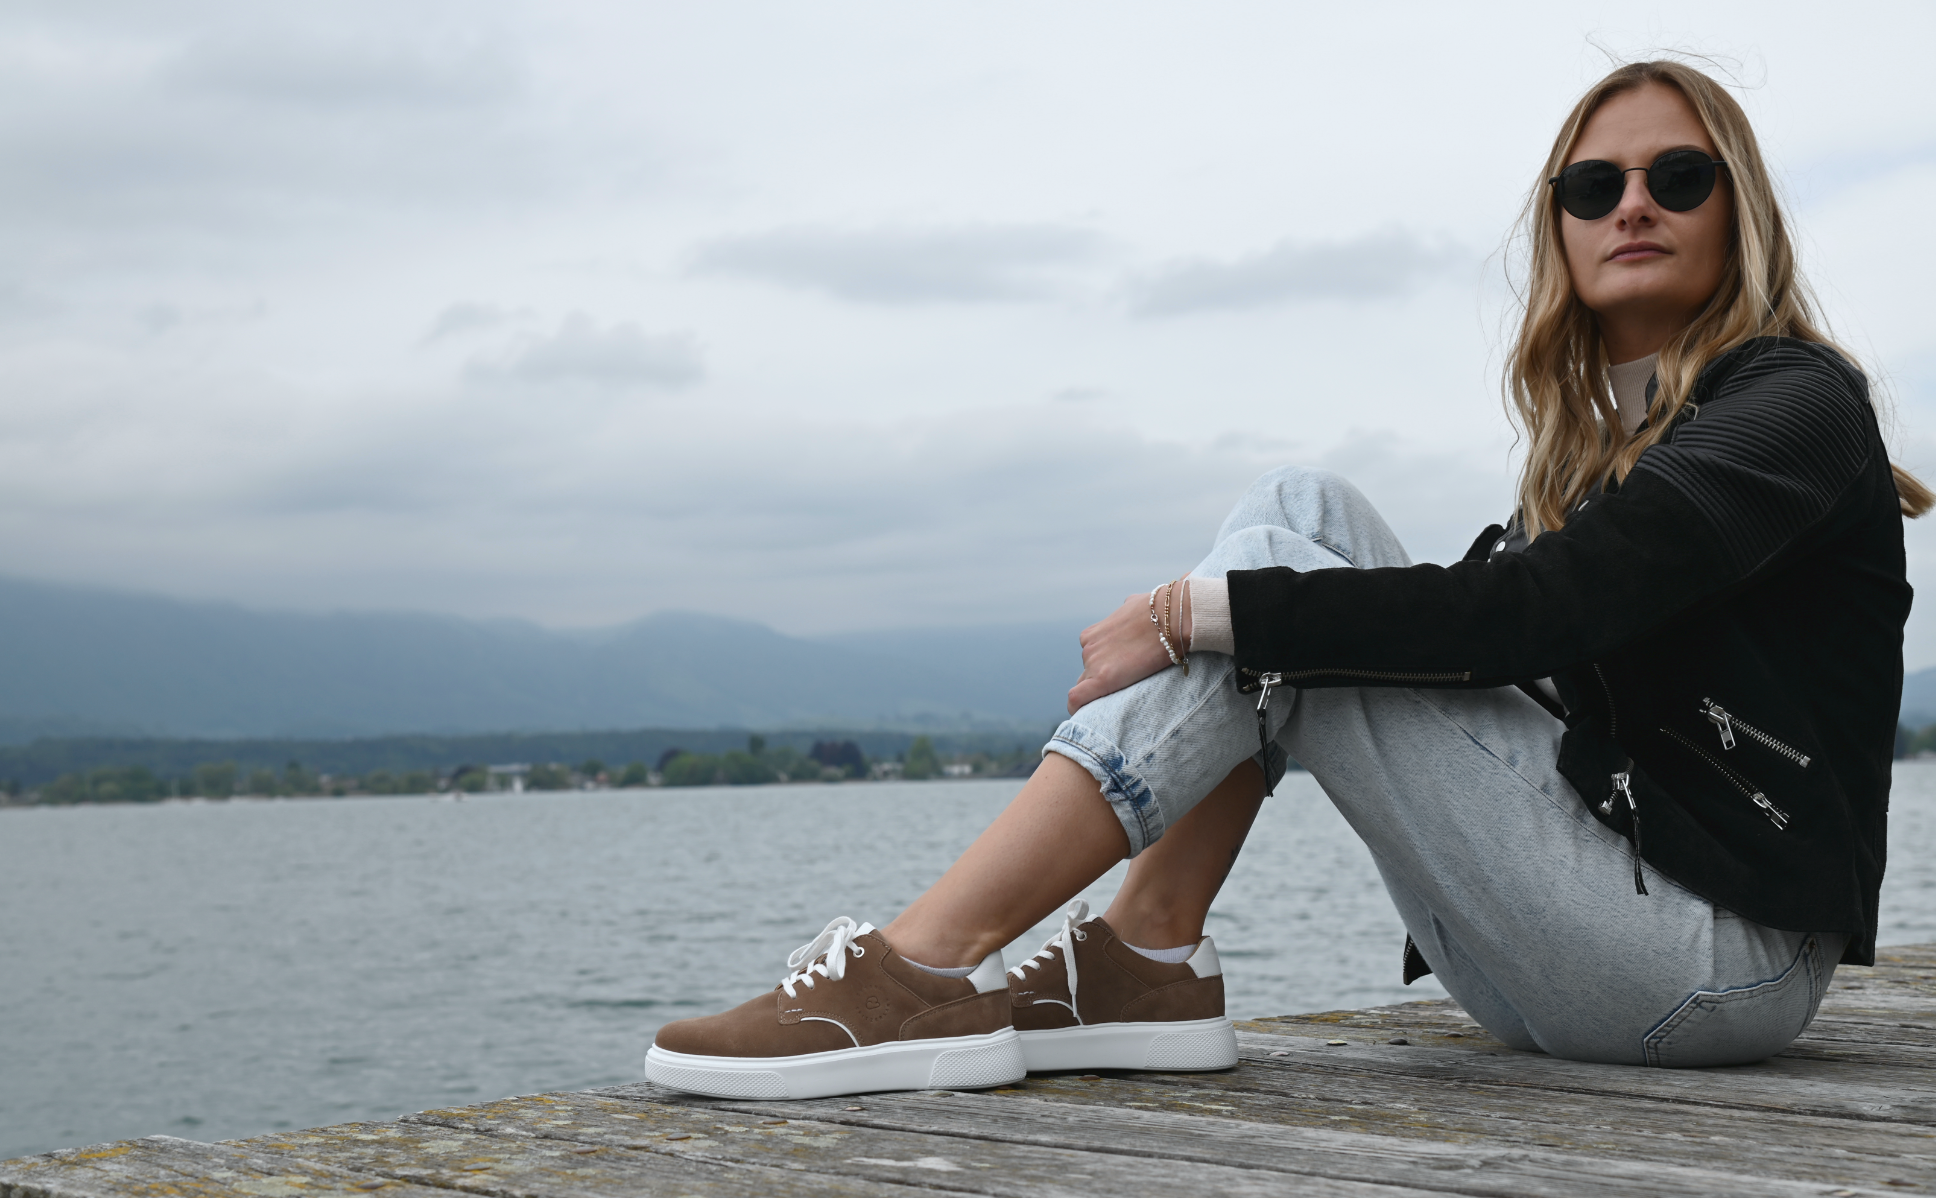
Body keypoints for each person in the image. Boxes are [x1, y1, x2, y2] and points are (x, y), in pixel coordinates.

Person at [645, 60, 1930, 1099]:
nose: (1630, 205)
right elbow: (1499, 638)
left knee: (1270, 589)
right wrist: (1246, 608)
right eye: (1592, 185)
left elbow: (1524, 620)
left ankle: (918, 966)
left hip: (1717, 967)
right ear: (1560, 225)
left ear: (1738, 206)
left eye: (1676, 176)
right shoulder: (1607, 452)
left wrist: (1190, 613)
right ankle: (1143, 954)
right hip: (1588, 944)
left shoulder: (1797, 407)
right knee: (1300, 509)